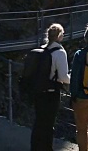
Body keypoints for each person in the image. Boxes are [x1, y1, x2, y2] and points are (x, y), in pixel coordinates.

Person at [31, 23, 71, 151]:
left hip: (38, 91)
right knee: (48, 123)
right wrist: (73, 80)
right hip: (51, 93)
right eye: (63, 34)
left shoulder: (42, 49)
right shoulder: (59, 52)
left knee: (39, 121)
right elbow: (63, 77)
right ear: (59, 36)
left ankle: (35, 147)